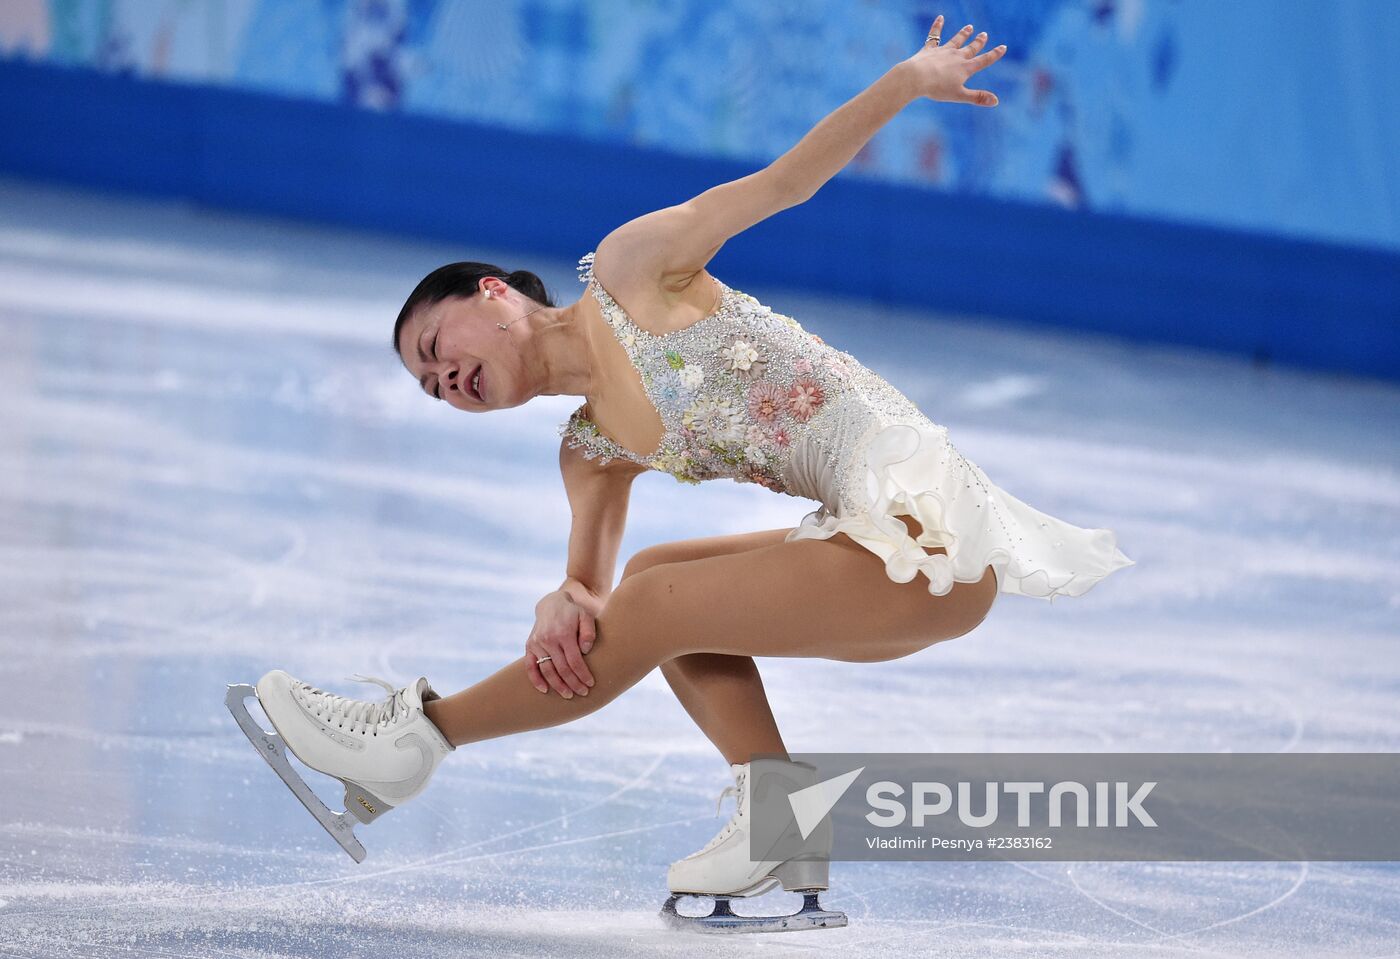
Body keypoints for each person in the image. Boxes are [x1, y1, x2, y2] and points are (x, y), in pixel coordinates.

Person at [237, 17, 1133, 931]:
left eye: (437, 347)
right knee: (653, 581)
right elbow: (592, 601)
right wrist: (564, 595)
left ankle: (418, 738)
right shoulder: (589, 449)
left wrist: (908, 79)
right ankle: (776, 817)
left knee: (660, 605)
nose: (446, 381)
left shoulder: (633, 269)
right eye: (431, 387)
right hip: (873, 556)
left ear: (494, 294)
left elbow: (789, 183)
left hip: (926, 536)